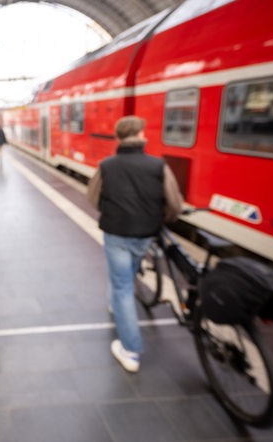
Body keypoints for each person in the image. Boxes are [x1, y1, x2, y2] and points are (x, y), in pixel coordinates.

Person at [95, 115, 183, 373]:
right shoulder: (159, 166)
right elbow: (174, 204)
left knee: (122, 285)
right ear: (140, 136)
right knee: (128, 274)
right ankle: (116, 306)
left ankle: (130, 350)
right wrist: (160, 218)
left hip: (116, 232)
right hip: (145, 234)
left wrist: (111, 210)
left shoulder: (106, 165)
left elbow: (93, 197)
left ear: (119, 137)